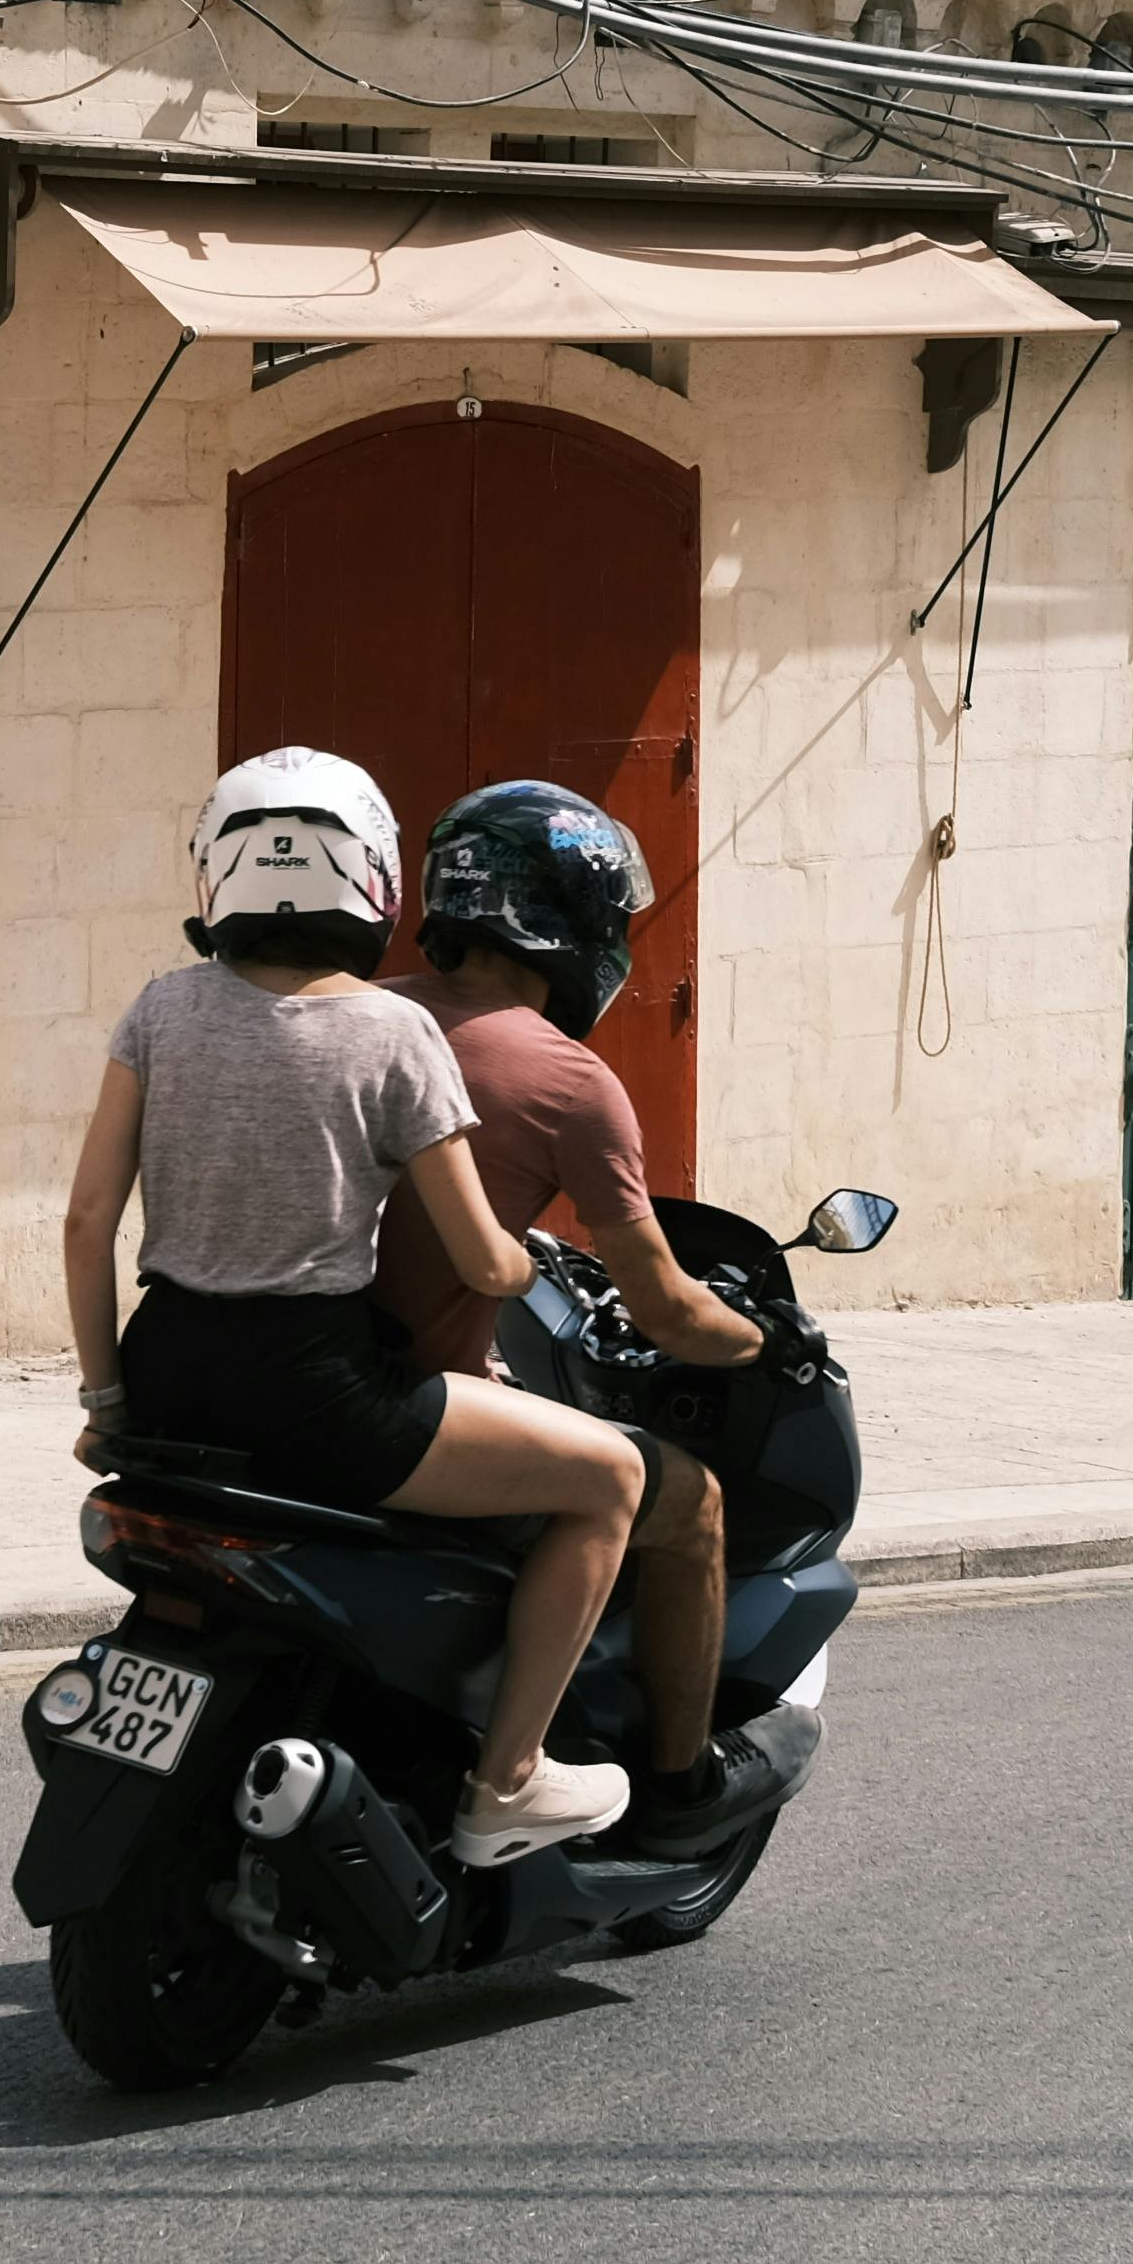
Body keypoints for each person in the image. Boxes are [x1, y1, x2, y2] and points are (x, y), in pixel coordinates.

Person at [59, 749, 648, 1866]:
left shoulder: (162, 1006)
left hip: (171, 1368)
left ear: (215, 874)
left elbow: (90, 1223)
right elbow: (481, 1260)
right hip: (320, 1393)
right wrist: (529, 1268)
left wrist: (106, 1396)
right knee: (612, 1478)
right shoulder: (393, 1032)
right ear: (374, 878)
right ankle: (508, 1781)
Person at [374, 779, 769, 1854]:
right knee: (681, 1497)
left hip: (289, 1370)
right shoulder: (565, 1076)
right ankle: (670, 1784)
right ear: (572, 918)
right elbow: (666, 1304)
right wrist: (763, 1340)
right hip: (398, 1408)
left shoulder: (358, 1014)